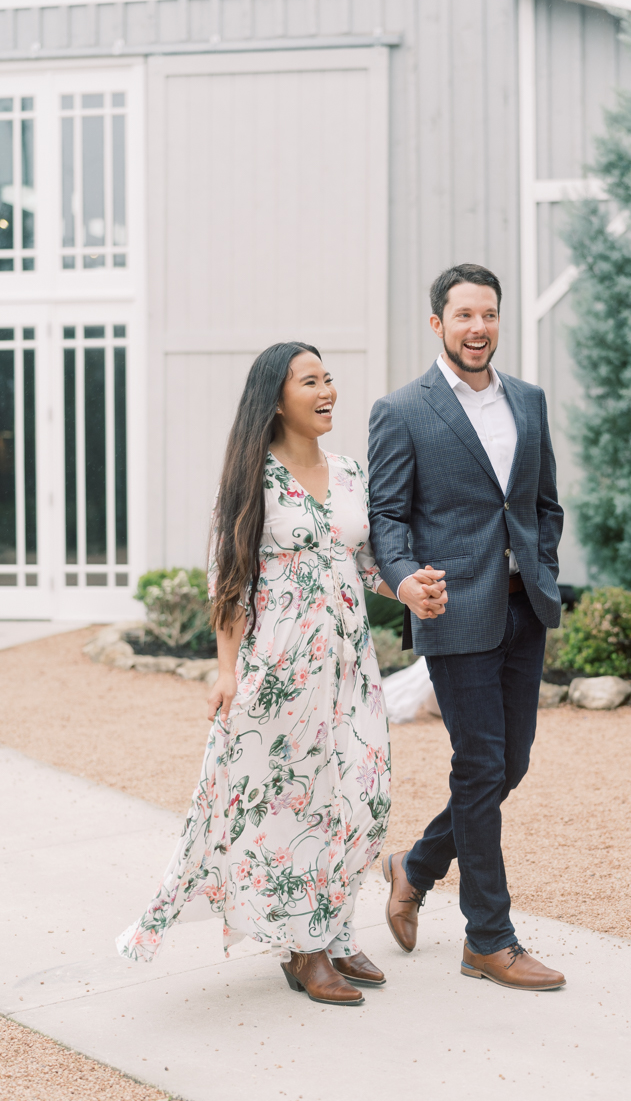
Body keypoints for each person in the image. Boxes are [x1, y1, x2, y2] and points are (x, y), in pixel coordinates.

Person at [117, 342, 427, 1007]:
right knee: (298, 803)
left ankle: (336, 927)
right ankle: (304, 948)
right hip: (280, 670)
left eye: (329, 378)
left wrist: (407, 590)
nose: (328, 391)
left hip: (350, 669)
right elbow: (227, 580)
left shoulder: (349, 473)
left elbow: (367, 563)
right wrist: (227, 671)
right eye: (310, 381)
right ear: (276, 398)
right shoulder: (252, 479)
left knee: (362, 795)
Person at [368, 264, 567, 992]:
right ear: (437, 325)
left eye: (488, 315)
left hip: (525, 607)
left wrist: (541, 560)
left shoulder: (530, 400)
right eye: (463, 316)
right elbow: (387, 516)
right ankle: (489, 938)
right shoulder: (402, 410)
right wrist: (403, 579)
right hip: (452, 610)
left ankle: (413, 866)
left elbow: (545, 503)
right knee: (479, 767)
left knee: (508, 766)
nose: (477, 328)